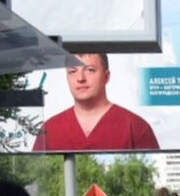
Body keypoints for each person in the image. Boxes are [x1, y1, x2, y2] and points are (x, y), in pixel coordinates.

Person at [31, 53, 159, 152]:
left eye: (90, 70)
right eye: (72, 71)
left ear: (106, 76)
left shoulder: (136, 127)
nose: (80, 78)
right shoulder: (50, 130)